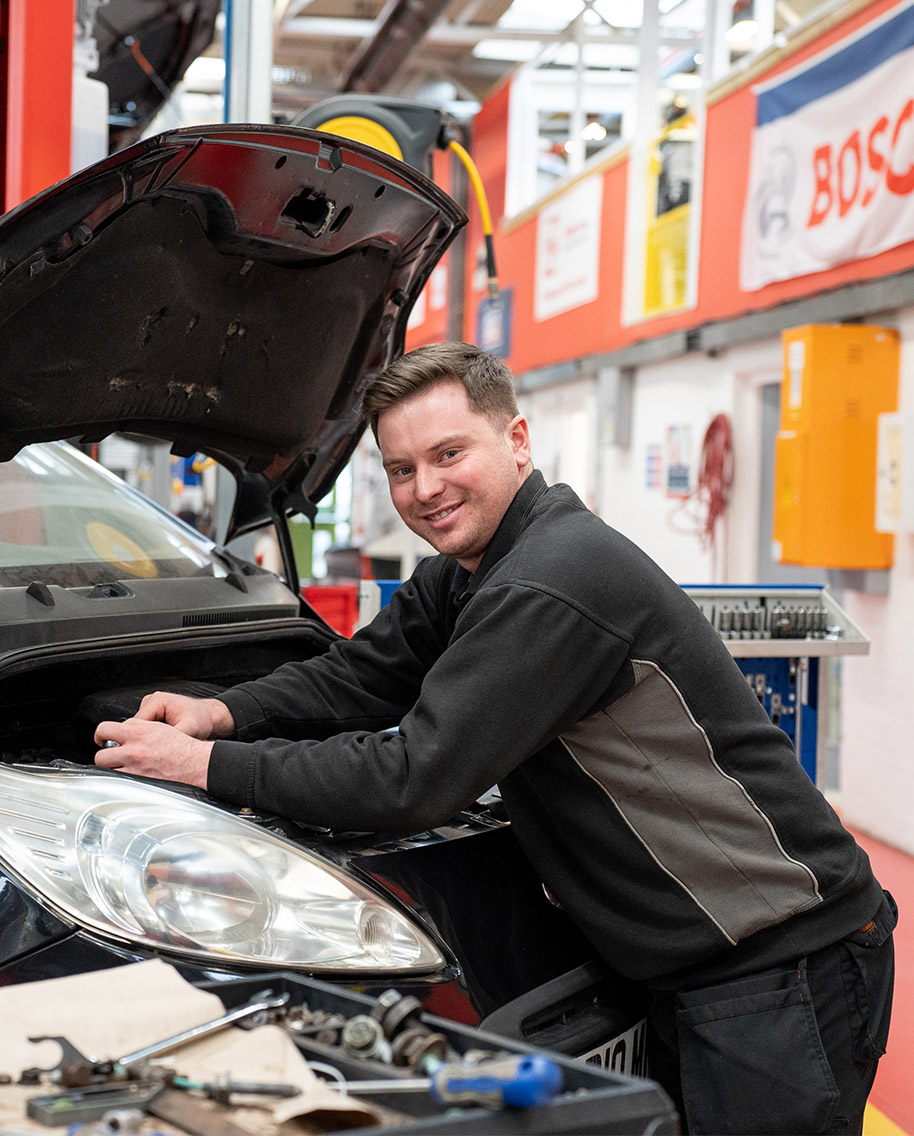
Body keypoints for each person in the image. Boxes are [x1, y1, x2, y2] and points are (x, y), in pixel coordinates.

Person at [95, 341, 895, 1135]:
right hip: (697, 968)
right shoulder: (472, 568)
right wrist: (223, 713)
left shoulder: (552, 578)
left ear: (516, 441)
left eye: (448, 454)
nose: (426, 489)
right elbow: (361, 675)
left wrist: (206, 765)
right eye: (402, 469)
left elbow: (412, 778)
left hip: (780, 969)